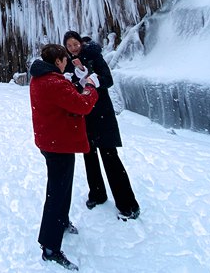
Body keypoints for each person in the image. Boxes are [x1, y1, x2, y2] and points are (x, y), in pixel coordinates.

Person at [29, 43, 99, 271]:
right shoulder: (52, 82)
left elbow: (63, 100)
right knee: (57, 191)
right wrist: (90, 87)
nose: (67, 62)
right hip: (58, 143)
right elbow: (82, 105)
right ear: (58, 60)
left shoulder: (41, 78)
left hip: (52, 140)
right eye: (64, 60)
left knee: (62, 186)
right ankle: (50, 247)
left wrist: (70, 82)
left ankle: (62, 220)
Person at [63, 30, 140, 221]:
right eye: (69, 46)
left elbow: (108, 79)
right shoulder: (67, 62)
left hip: (102, 112)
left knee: (110, 156)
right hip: (84, 113)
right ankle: (97, 194)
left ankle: (128, 204)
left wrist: (89, 76)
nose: (73, 48)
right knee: (88, 154)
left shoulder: (93, 55)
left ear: (80, 42)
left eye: (75, 44)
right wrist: (72, 81)